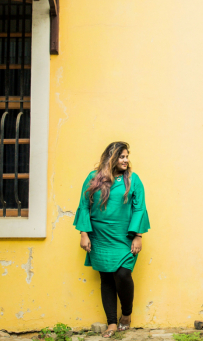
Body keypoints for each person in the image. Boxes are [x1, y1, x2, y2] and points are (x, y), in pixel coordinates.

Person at [74, 142, 151, 338]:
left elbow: (139, 208)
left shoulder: (133, 180)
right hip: (99, 237)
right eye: (121, 156)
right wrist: (84, 233)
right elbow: (84, 205)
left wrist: (138, 236)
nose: (126, 160)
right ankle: (111, 324)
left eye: (127, 156)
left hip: (124, 237)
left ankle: (126, 314)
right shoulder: (93, 178)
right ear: (111, 158)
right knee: (106, 279)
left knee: (123, 275)